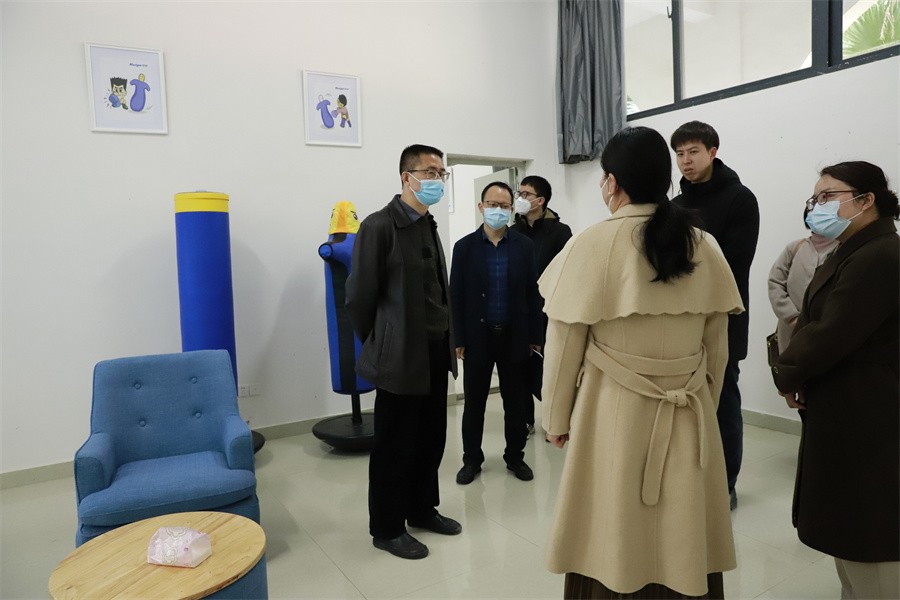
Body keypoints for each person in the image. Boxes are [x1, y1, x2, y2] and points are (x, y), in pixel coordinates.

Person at [540, 126, 742, 599]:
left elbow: (563, 349)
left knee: (614, 525)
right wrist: (704, 407)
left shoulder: (589, 245)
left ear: (612, 182)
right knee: (682, 525)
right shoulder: (703, 244)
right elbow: (717, 350)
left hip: (611, 410)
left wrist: (555, 419)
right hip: (688, 410)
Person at [772, 161, 899, 599]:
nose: (817, 206)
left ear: (866, 200)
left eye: (828, 196)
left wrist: (786, 372)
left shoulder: (880, 255)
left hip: (869, 409)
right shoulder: (851, 250)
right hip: (844, 403)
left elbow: (831, 331)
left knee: (870, 536)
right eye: (815, 198)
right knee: (849, 536)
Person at [346, 144, 461, 560]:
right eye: (429, 172)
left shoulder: (428, 223)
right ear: (406, 177)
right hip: (400, 356)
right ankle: (387, 527)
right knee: (394, 445)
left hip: (434, 350)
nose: (437, 180)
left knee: (430, 438)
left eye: (441, 173)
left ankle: (422, 509)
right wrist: (383, 341)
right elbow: (359, 297)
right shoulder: (379, 226)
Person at [670, 121, 759, 510]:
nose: (686, 161)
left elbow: (734, 264)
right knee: (686, 407)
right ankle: (692, 478)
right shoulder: (674, 206)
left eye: (693, 152)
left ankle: (726, 483)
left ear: (712, 152)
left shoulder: (740, 198)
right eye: (679, 154)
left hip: (724, 316)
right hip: (681, 319)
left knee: (723, 403)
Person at [450, 181, 543, 485]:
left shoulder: (524, 246)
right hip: (478, 337)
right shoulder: (464, 247)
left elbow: (532, 294)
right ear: (481, 207)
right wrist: (458, 339)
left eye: (504, 206)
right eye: (492, 205)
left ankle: (515, 456)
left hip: (515, 337)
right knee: (474, 404)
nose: (498, 210)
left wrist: (535, 337)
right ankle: (471, 460)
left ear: (512, 209)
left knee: (515, 403)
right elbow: (456, 296)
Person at [510, 175, 572, 436]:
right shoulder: (513, 231)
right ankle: (525, 420)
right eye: (519, 193)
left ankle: (555, 421)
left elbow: (566, 272)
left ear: (541, 200)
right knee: (520, 367)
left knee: (551, 369)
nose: (520, 198)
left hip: (549, 311)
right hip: (519, 311)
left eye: (526, 194)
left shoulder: (560, 232)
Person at [767, 207, 838, 353]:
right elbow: (775, 282)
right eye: (813, 213)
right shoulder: (794, 248)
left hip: (826, 328)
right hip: (790, 329)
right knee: (789, 361)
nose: (817, 217)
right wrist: (792, 317)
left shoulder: (841, 248)